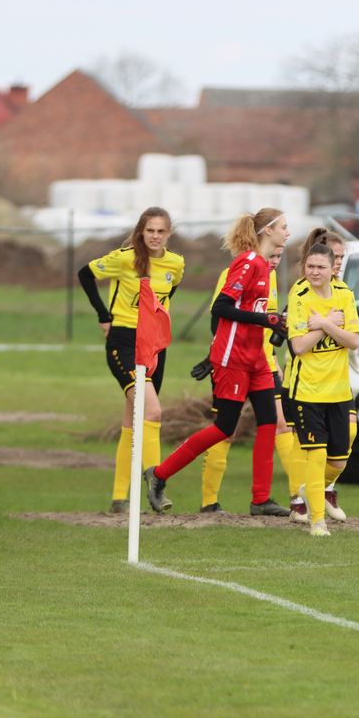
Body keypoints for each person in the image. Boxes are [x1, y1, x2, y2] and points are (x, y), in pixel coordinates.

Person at [143, 208, 292, 516]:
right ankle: (158, 475)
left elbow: (257, 313)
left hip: (257, 358)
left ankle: (260, 499)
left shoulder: (266, 266)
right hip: (232, 356)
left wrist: (275, 324)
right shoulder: (248, 262)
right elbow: (222, 308)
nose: (287, 233)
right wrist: (266, 319)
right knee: (224, 427)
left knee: (269, 422)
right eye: (284, 227)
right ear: (268, 231)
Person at [77, 206, 183, 513]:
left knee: (133, 421)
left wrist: (156, 319)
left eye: (161, 231)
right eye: (150, 230)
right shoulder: (124, 258)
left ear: (168, 234)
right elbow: (85, 274)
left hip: (155, 347)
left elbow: (168, 293)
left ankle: (119, 498)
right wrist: (103, 315)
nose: (155, 236)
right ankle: (157, 481)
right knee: (152, 411)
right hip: (123, 342)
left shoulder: (175, 264)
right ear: (141, 231)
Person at [197, 245, 293, 514]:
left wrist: (273, 356)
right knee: (225, 430)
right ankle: (208, 502)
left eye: (279, 257)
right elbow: (220, 315)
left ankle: (287, 499)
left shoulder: (271, 276)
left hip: (263, 362)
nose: (275, 261)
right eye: (272, 255)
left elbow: (269, 322)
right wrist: (212, 356)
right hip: (232, 358)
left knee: (278, 424)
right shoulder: (238, 270)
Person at [280, 227, 355, 523]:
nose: (315, 271)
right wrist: (328, 325)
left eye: (321, 266)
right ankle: (318, 522)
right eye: (310, 266)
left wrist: (322, 323)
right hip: (307, 389)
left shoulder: (345, 293)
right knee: (315, 453)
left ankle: (309, 489)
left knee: (338, 460)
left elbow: (353, 341)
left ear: (333, 268)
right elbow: (298, 346)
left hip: (338, 388)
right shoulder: (298, 294)